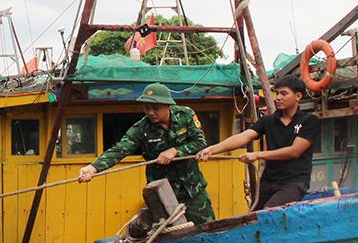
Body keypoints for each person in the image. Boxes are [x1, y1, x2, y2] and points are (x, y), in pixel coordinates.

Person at [78, 83, 215, 225]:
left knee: (208, 230)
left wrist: (176, 151)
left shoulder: (185, 115)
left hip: (193, 189)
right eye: (146, 107)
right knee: (165, 235)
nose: (150, 112)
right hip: (162, 193)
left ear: (167, 105)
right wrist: (93, 168)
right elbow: (120, 149)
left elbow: (200, 143)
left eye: (155, 108)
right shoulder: (141, 129)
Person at [197, 75, 321, 210]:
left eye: (283, 94)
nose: (278, 98)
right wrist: (212, 149)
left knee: (270, 211)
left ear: (298, 96)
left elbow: (294, 151)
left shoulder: (309, 121)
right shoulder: (268, 121)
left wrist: (258, 155)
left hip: (294, 181)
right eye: (277, 93)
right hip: (269, 181)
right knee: (253, 217)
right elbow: (243, 137)